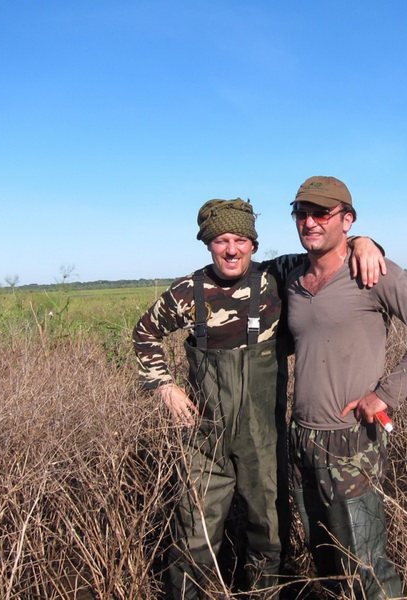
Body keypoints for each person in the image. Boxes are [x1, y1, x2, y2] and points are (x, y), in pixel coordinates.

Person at [132, 198, 385, 599]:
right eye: (220, 241)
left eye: (239, 239)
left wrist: (365, 242)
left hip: (263, 436)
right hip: (204, 437)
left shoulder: (277, 276)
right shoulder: (187, 292)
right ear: (207, 244)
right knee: (192, 530)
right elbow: (144, 333)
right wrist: (164, 385)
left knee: (269, 531)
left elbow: (326, 248)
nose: (231, 250)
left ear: (253, 242)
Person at [285, 177, 407, 599]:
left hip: (350, 440)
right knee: (324, 558)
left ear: (347, 219)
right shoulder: (290, 275)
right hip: (302, 436)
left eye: (321, 213)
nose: (310, 222)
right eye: (301, 214)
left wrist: (386, 394)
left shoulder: (373, 272)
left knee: (365, 565)